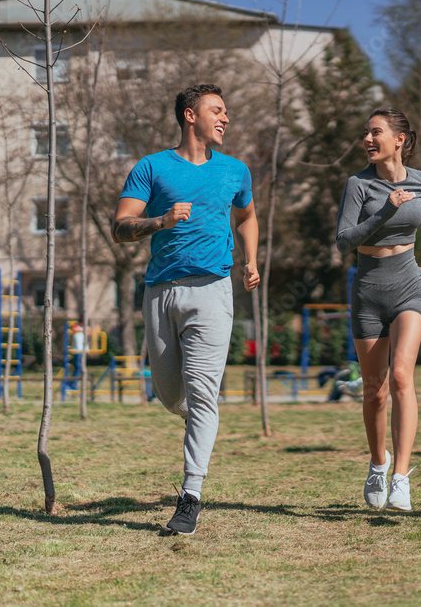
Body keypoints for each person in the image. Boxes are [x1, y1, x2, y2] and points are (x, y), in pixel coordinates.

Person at [112, 84, 260, 535]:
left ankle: (190, 496)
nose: (226, 118)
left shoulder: (235, 171)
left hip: (213, 290)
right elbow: (120, 228)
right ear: (190, 115)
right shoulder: (152, 167)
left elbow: (248, 216)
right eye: (217, 110)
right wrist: (161, 220)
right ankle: (199, 413)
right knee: (168, 392)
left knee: (201, 393)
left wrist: (251, 259)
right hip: (160, 292)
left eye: (227, 111)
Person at [335, 107, 421, 511]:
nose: (368, 139)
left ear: (399, 139)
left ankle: (401, 478)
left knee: (400, 376)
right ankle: (379, 464)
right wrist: (386, 210)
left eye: (376, 132)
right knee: (374, 391)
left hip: (410, 284)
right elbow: (344, 241)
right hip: (368, 290)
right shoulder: (358, 185)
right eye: (365, 133)